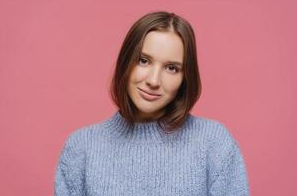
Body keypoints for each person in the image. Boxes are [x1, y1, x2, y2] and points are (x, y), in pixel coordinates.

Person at [54, 11, 249, 196]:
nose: (154, 81)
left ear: (185, 78)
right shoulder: (81, 149)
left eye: (171, 68)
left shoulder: (214, 144)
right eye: (144, 60)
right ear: (125, 62)